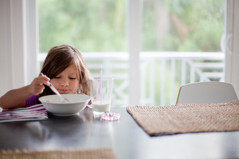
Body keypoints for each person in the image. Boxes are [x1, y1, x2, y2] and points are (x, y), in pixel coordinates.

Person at [0, 44, 91, 109]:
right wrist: (30, 89)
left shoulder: (84, 104)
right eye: (57, 77)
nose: (64, 83)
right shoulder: (39, 100)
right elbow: (3, 102)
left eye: (72, 78)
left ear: (81, 79)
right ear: (47, 76)